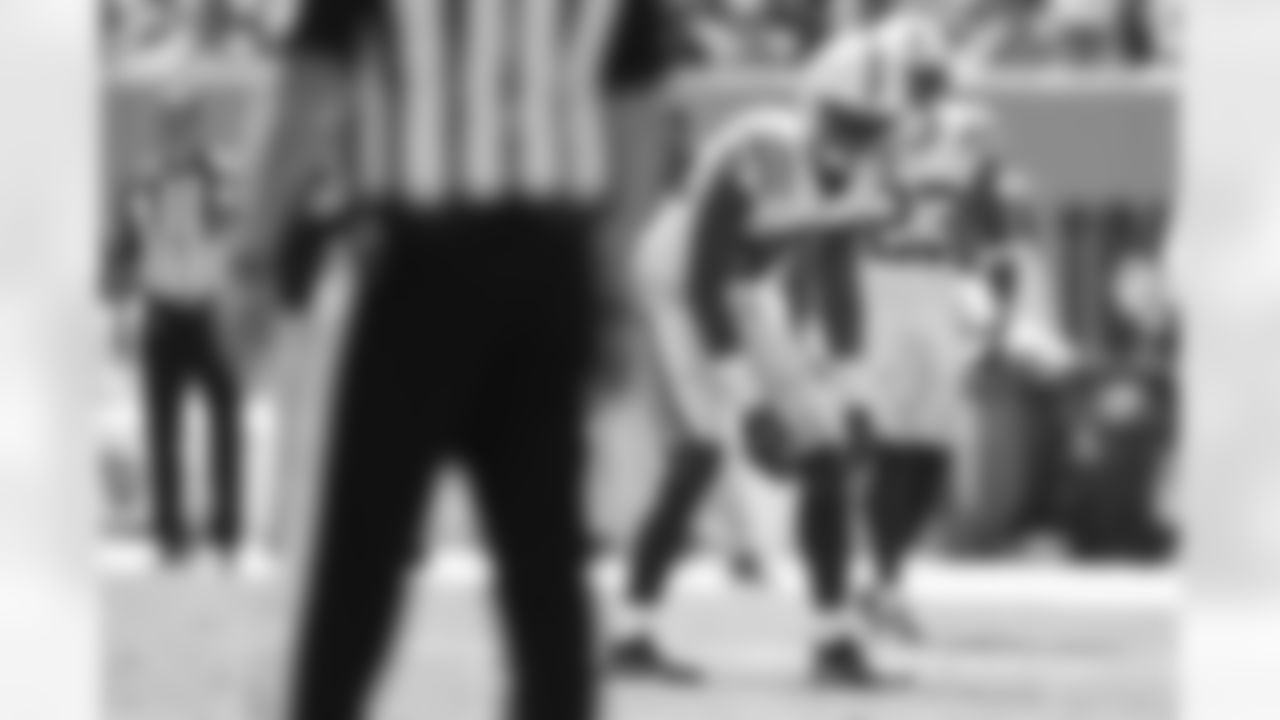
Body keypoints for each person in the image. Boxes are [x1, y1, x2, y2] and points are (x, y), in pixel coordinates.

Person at [228, 2, 674, 720]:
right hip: (546, 272)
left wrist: (255, 253)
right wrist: (610, 278)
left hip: (418, 266)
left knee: (357, 568)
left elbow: (309, 87)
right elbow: (638, 111)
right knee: (545, 575)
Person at [608, 29, 899, 686]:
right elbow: (699, 279)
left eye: (869, 126)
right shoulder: (759, 150)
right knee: (702, 451)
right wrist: (745, 402)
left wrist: (853, 388)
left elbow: (837, 274)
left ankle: (833, 642)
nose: (854, 138)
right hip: (676, 282)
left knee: (826, 451)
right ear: (814, 104)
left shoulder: (870, 170)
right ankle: (630, 633)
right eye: (845, 120)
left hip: (744, 288)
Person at [848, 12, 1036, 640]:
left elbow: (990, 223)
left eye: (927, 76)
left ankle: (884, 579)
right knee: (892, 442)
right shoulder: (867, 131)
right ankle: (882, 580)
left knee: (931, 446)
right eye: (913, 76)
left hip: (936, 284)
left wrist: (1002, 298)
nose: (920, 86)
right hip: (881, 282)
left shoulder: (967, 132)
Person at [104, 107, 249, 574]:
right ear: (162, 131)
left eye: (187, 125)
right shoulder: (142, 184)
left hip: (212, 314)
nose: (179, 135)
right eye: (171, 125)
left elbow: (241, 236)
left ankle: (227, 532)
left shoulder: (224, 179)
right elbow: (122, 252)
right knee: (162, 430)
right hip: (163, 313)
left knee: (226, 425)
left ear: (199, 130)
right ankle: (170, 535)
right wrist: (121, 312)